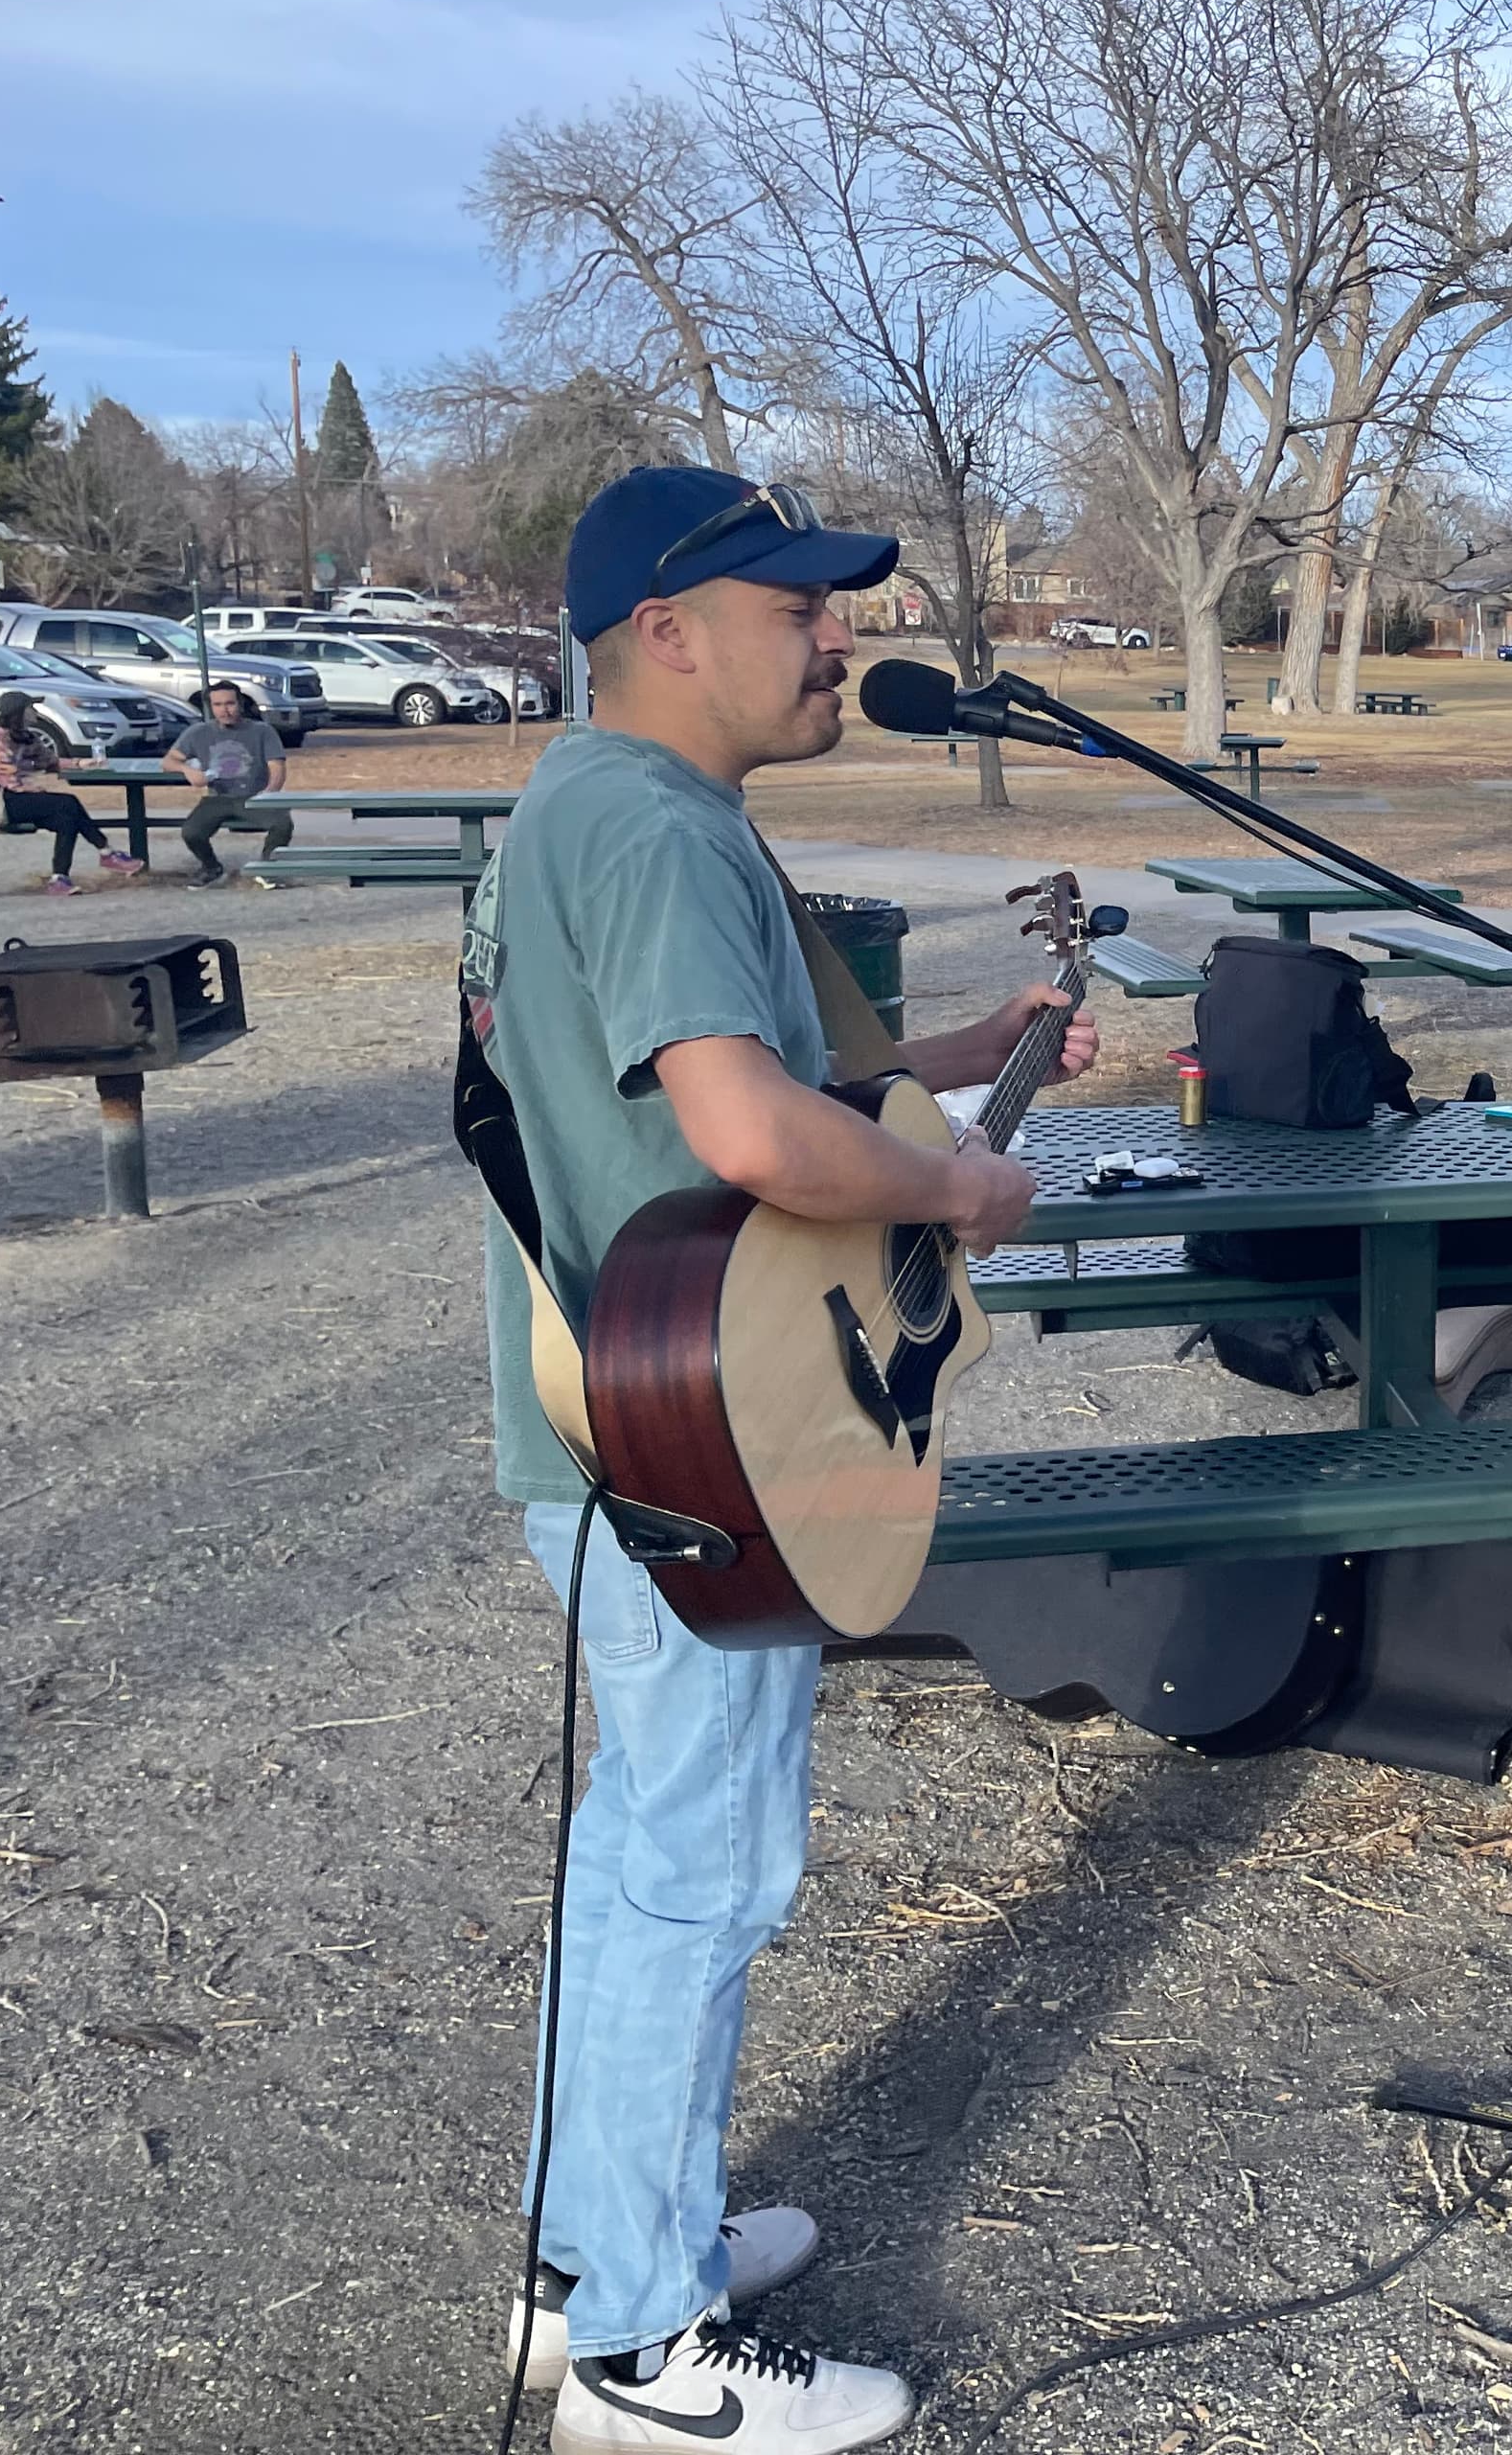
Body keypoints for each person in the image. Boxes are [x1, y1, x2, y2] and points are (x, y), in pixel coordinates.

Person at [468, 467, 1097, 2451]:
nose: (839, 641)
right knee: (698, 1877)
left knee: (645, 1859)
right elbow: (744, 1136)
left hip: (635, 1432)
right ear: (666, 630)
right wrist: (950, 1186)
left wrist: (976, 1031)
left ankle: (599, 2265)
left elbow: (706, 1080)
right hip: (688, 1453)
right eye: (796, 608)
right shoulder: (651, 823)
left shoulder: (603, 805)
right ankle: (653, 2362)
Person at [0, 690, 140, 893]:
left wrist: (80, 763)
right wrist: (34, 790)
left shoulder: (24, 736)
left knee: (66, 820)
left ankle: (59, 878)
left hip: (18, 796)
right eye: (30, 708)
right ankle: (107, 853)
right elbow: (4, 777)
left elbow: (49, 761)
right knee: (67, 802)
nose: (34, 713)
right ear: (17, 713)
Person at [171, 679, 293, 886]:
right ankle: (211, 867)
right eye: (218, 705)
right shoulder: (198, 732)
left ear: (240, 704)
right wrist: (187, 770)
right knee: (191, 832)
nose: (224, 710)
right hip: (218, 798)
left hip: (254, 796)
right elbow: (169, 760)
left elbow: (277, 767)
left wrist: (270, 792)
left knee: (283, 824)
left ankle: (268, 868)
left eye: (229, 704)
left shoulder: (262, 731)